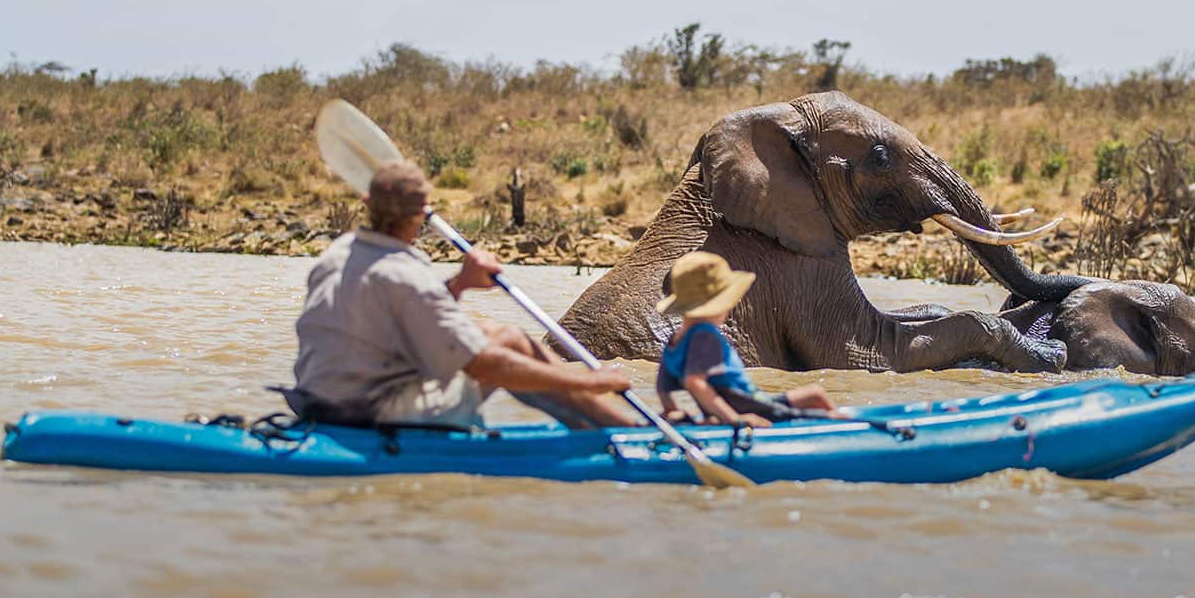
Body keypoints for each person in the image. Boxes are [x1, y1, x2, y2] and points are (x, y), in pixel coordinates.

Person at [288, 159, 638, 429]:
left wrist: (459, 284)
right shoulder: (408, 274)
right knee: (511, 346)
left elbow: (400, 311)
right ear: (421, 213)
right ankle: (622, 429)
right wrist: (590, 380)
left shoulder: (336, 255)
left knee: (495, 333)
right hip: (370, 413)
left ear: (367, 202)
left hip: (317, 401)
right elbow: (489, 366)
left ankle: (606, 427)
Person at [655, 251, 838, 428]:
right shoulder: (704, 335)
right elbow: (694, 382)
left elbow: (663, 383)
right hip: (750, 406)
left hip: (739, 405)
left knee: (808, 396)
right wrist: (735, 420)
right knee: (816, 395)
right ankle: (845, 429)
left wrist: (670, 409)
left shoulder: (676, 340)